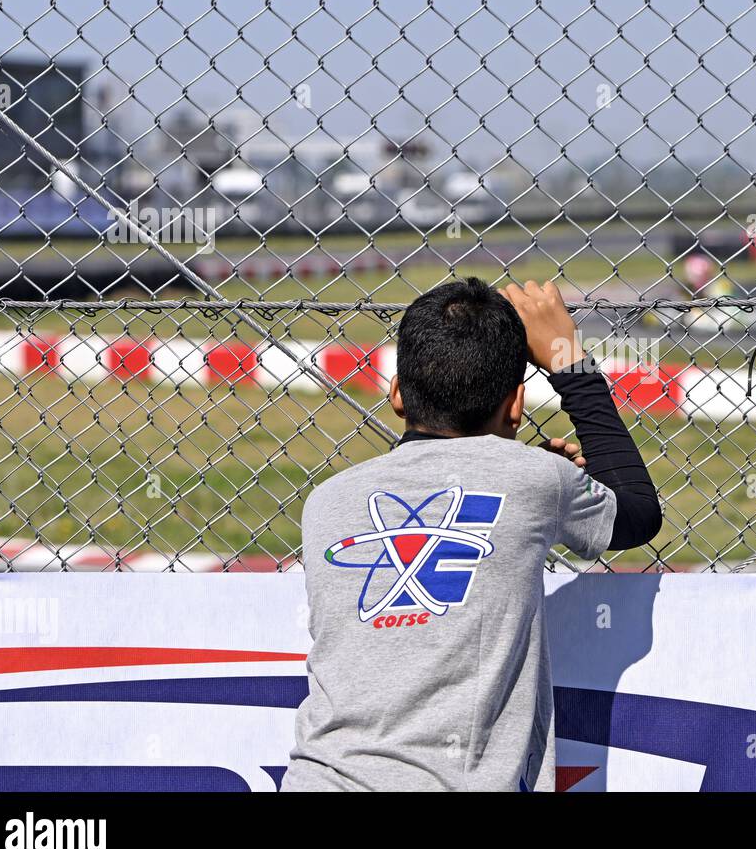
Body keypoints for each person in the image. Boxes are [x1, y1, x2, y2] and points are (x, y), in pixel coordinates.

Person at [282, 278, 662, 791]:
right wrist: (572, 364)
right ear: (516, 405)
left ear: (396, 394)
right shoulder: (535, 480)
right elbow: (637, 513)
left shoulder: (326, 501)